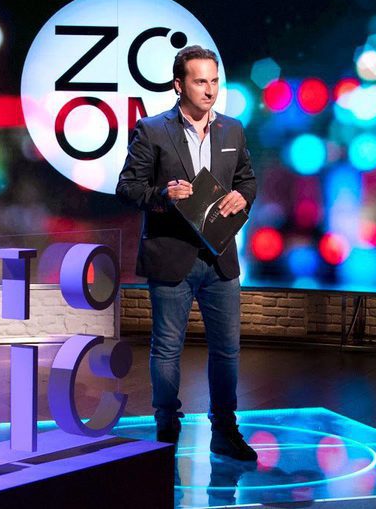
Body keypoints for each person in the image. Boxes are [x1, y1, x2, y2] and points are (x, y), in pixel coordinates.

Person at [115, 45, 258, 461]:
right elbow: (127, 188)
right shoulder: (152, 130)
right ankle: (167, 426)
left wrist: (242, 197)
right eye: (200, 81)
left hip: (220, 258)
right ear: (179, 85)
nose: (209, 90)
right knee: (166, 348)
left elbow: (248, 180)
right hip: (171, 254)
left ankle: (225, 430)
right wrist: (164, 195)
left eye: (214, 81)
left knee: (227, 349)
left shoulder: (232, 130)